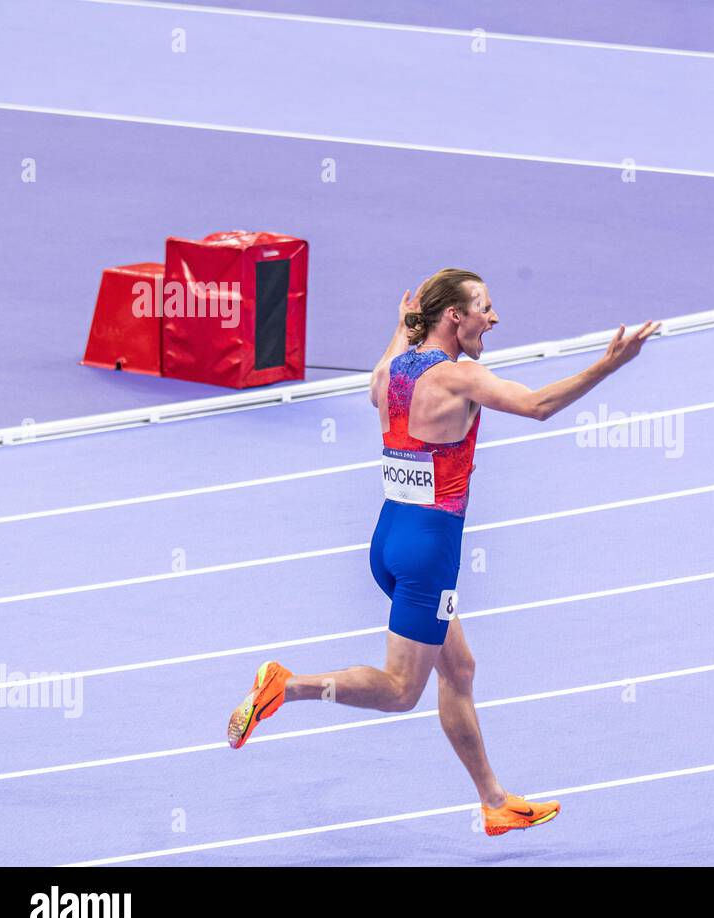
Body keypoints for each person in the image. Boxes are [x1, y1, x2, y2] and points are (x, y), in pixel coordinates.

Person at [226, 268, 660, 837]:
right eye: (485, 306)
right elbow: (536, 405)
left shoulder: (392, 372)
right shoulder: (461, 376)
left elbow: (377, 381)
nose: (494, 317)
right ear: (454, 316)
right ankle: (289, 683)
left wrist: (400, 326)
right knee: (403, 690)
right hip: (430, 553)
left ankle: (494, 801)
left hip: (388, 539)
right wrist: (610, 365)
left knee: (459, 667)